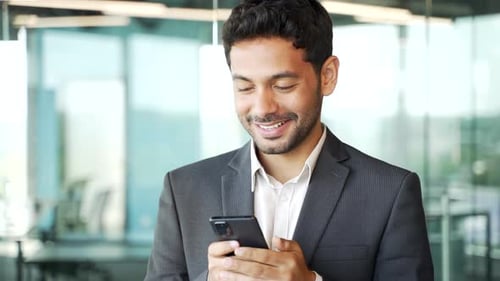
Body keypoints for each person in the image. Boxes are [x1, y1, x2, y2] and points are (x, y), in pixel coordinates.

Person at [144, 0, 434, 280]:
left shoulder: (389, 193)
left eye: (283, 85)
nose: (262, 108)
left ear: (328, 76)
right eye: (244, 87)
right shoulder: (184, 190)